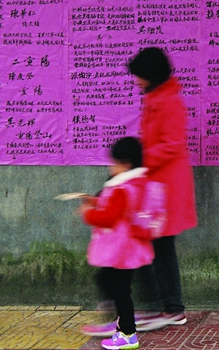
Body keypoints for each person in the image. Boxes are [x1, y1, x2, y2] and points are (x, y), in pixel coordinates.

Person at [127, 47, 198, 330]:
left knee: (162, 247)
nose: (136, 81)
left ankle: (172, 308)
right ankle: (164, 305)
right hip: (157, 186)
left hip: (166, 189)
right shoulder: (156, 98)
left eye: (139, 76)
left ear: (152, 75)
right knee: (156, 245)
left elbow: (172, 145)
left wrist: (139, 160)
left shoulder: (169, 102)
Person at [79, 137, 151, 350]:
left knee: (120, 292)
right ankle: (124, 325)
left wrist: (88, 213)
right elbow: (117, 209)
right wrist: (96, 202)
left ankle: (128, 334)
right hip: (128, 249)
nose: (110, 167)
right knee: (116, 287)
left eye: (114, 163)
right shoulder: (135, 184)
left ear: (126, 164)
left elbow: (108, 218)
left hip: (120, 251)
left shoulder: (121, 188)